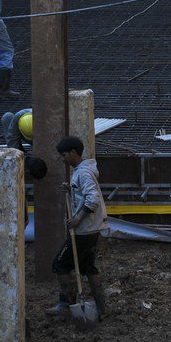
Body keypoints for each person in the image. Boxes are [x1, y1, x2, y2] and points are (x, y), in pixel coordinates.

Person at [48, 136, 109, 320]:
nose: (63, 158)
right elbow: (85, 193)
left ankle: (66, 303)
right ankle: (100, 307)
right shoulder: (82, 171)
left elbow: (93, 200)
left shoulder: (83, 173)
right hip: (92, 229)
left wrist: (77, 219)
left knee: (59, 264)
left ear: (74, 152)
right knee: (88, 267)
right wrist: (72, 190)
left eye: (64, 154)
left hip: (84, 229)